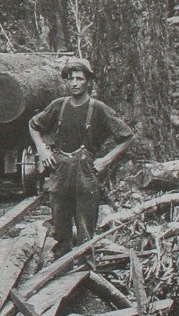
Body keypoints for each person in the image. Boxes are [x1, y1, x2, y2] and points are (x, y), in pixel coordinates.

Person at [27, 58, 135, 255]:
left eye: (79, 78)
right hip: (60, 172)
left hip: (86, 173)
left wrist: (106, 160)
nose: (74, 83)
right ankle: (61, 271)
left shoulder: (98, 108)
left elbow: (127, 137)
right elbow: (34, 125)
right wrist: (42, 149)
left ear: (88, 82)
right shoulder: (58, 105)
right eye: (70, 79)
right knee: (60, 228)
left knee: (85, 230)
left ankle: (85, 272)